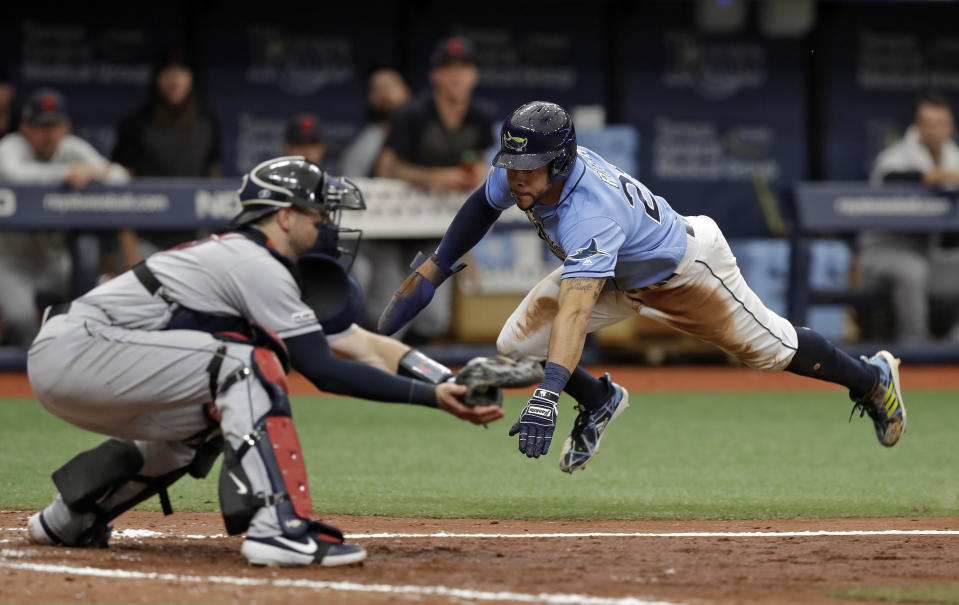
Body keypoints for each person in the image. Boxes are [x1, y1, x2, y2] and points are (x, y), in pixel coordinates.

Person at [378, 101, 908, 473]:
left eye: (529, 167)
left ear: (559, 162)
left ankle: (871, 378)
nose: (517, 177)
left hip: (684, 273)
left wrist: (544, 394)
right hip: (619, 273)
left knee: (775, 351)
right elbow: (480, 204)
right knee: (516, 344)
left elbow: (576, 313)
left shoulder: (590, 213)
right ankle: (600, 398)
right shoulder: (523, 172)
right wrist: (438, 266)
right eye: (512, 164)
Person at [25, 157, 504, 568]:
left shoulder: (262, 269)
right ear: (285, 217)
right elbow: (323, 370)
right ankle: (278, 528)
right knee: (245, 365)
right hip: (79, 349)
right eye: (319, 214)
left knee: (207, 421)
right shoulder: (252, 262)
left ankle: (69, 518)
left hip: (88, 359)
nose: (328, 226)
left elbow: (366, 346)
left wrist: (450, 381)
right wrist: (430, 399)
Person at [368, 37, 496, 344]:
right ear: (434, 74)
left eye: (464, 68)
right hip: (391, 224)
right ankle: (376, 371)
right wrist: (441, 177)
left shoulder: (481, 115)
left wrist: (470, 173)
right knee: (386, 312)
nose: (456, 76)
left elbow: (475, 165)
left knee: (434, 317)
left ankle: (410, 370)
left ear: (474, 75)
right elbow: (386, 168)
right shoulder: (413, 113)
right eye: (448, 68)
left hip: (434, 224)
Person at [0, 88, 129, 346]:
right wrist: (65, 174)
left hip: (55, 264)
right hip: (12, 265)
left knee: (100, 302)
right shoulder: (10, 146)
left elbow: (120, 176)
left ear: (65, 127)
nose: (48, 134)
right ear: (25, 128)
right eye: (40, 126)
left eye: (54, 125)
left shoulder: (71, 147)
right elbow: (13, 175)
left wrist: (91, 171)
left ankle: (78, 358)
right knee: (20, 320)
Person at [860, 91, 959, 341]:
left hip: (930, 251)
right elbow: (887, 180)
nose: (934, 130)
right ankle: (914, 346)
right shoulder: (895, 158)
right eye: (928, 123)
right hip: (883, 251)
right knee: (912, 271)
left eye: (940, 124)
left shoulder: (954, 159)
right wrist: (926, 179)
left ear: (951, 128)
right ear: (918, 126)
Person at [339, 65, 411, 178]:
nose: (385, 94)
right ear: (370, 97)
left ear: (406, 91)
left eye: (391, 86)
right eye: (377, 88)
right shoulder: (363, 147)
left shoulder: (424, 133)